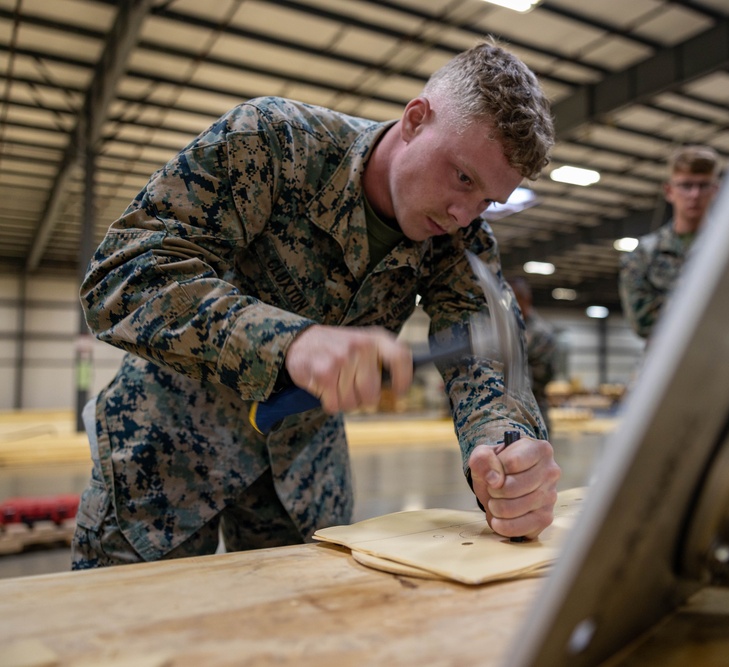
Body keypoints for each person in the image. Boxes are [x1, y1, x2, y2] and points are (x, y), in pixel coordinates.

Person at [72, 40, 561, 569]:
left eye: (488, 199)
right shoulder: (273, 142)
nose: (463, 212)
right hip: (163, 455)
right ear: (416, 119)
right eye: (463, 177)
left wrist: (506, 454)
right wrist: (290, 343)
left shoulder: (461, 241)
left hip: (302, 481)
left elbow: (487, 360)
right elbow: (122, 274)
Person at [619, 145, 721, 339]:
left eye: (703, 185)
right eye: (686, 185)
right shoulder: (643, 255)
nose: (694, 195)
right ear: (669, 190)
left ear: (715, 190)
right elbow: (643, 324)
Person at [508, 276, 558, 431]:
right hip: (506, 415)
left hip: (533, 415)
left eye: (514, 299)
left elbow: (542, 376)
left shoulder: (541, 333)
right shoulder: (506, 329)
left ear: (526, 299)